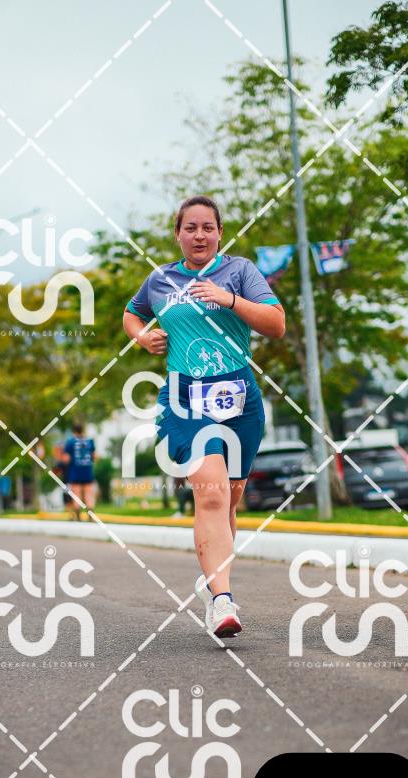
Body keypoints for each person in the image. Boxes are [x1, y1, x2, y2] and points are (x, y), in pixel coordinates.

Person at [122, 195, 285, 637]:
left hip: (240, 400)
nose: (199, 235)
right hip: (185, 400)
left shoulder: (240, 271)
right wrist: (142, 338)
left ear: (219, 232)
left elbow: (276, 324)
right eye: (190, 228)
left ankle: (214, 581)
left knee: (229, 501)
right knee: (211, 494)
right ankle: (222, 601)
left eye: (207, 227)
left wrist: (228, 299)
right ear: (178, 234)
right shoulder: (160, 279)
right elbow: (131, 314)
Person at [63, 423, 97, 517]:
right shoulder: (90, 441)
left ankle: (78, 515)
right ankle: (90, 514)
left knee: (76, 493)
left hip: (75, 471)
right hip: (87, 471)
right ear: (83, 430)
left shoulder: (70, 442)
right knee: (88, 493)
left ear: (74, 431)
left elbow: (66, 459)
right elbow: (94, 457)